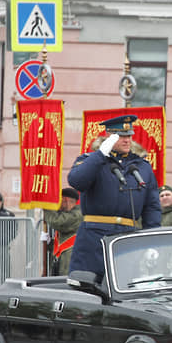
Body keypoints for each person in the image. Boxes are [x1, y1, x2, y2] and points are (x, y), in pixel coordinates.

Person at [67, 114, 161, 279]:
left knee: (123, 287)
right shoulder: (91, 161)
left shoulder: (141, 167)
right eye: (121, 136)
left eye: (129, 136)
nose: (127, 140)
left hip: (127, 237)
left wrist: (151, 241)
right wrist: (100, 155)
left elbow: (151, 207)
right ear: (109, 136)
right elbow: (77, 181)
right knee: (88, 285)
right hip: (94, 237)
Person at [41, 187, 83, 276]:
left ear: (66, 201)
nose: (58, 205)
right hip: (62, 259)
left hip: (70, 260)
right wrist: (49, 242)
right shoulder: (68, 213)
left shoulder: (78, 214)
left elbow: (58, 222)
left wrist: (47, 207)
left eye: (60, 202)